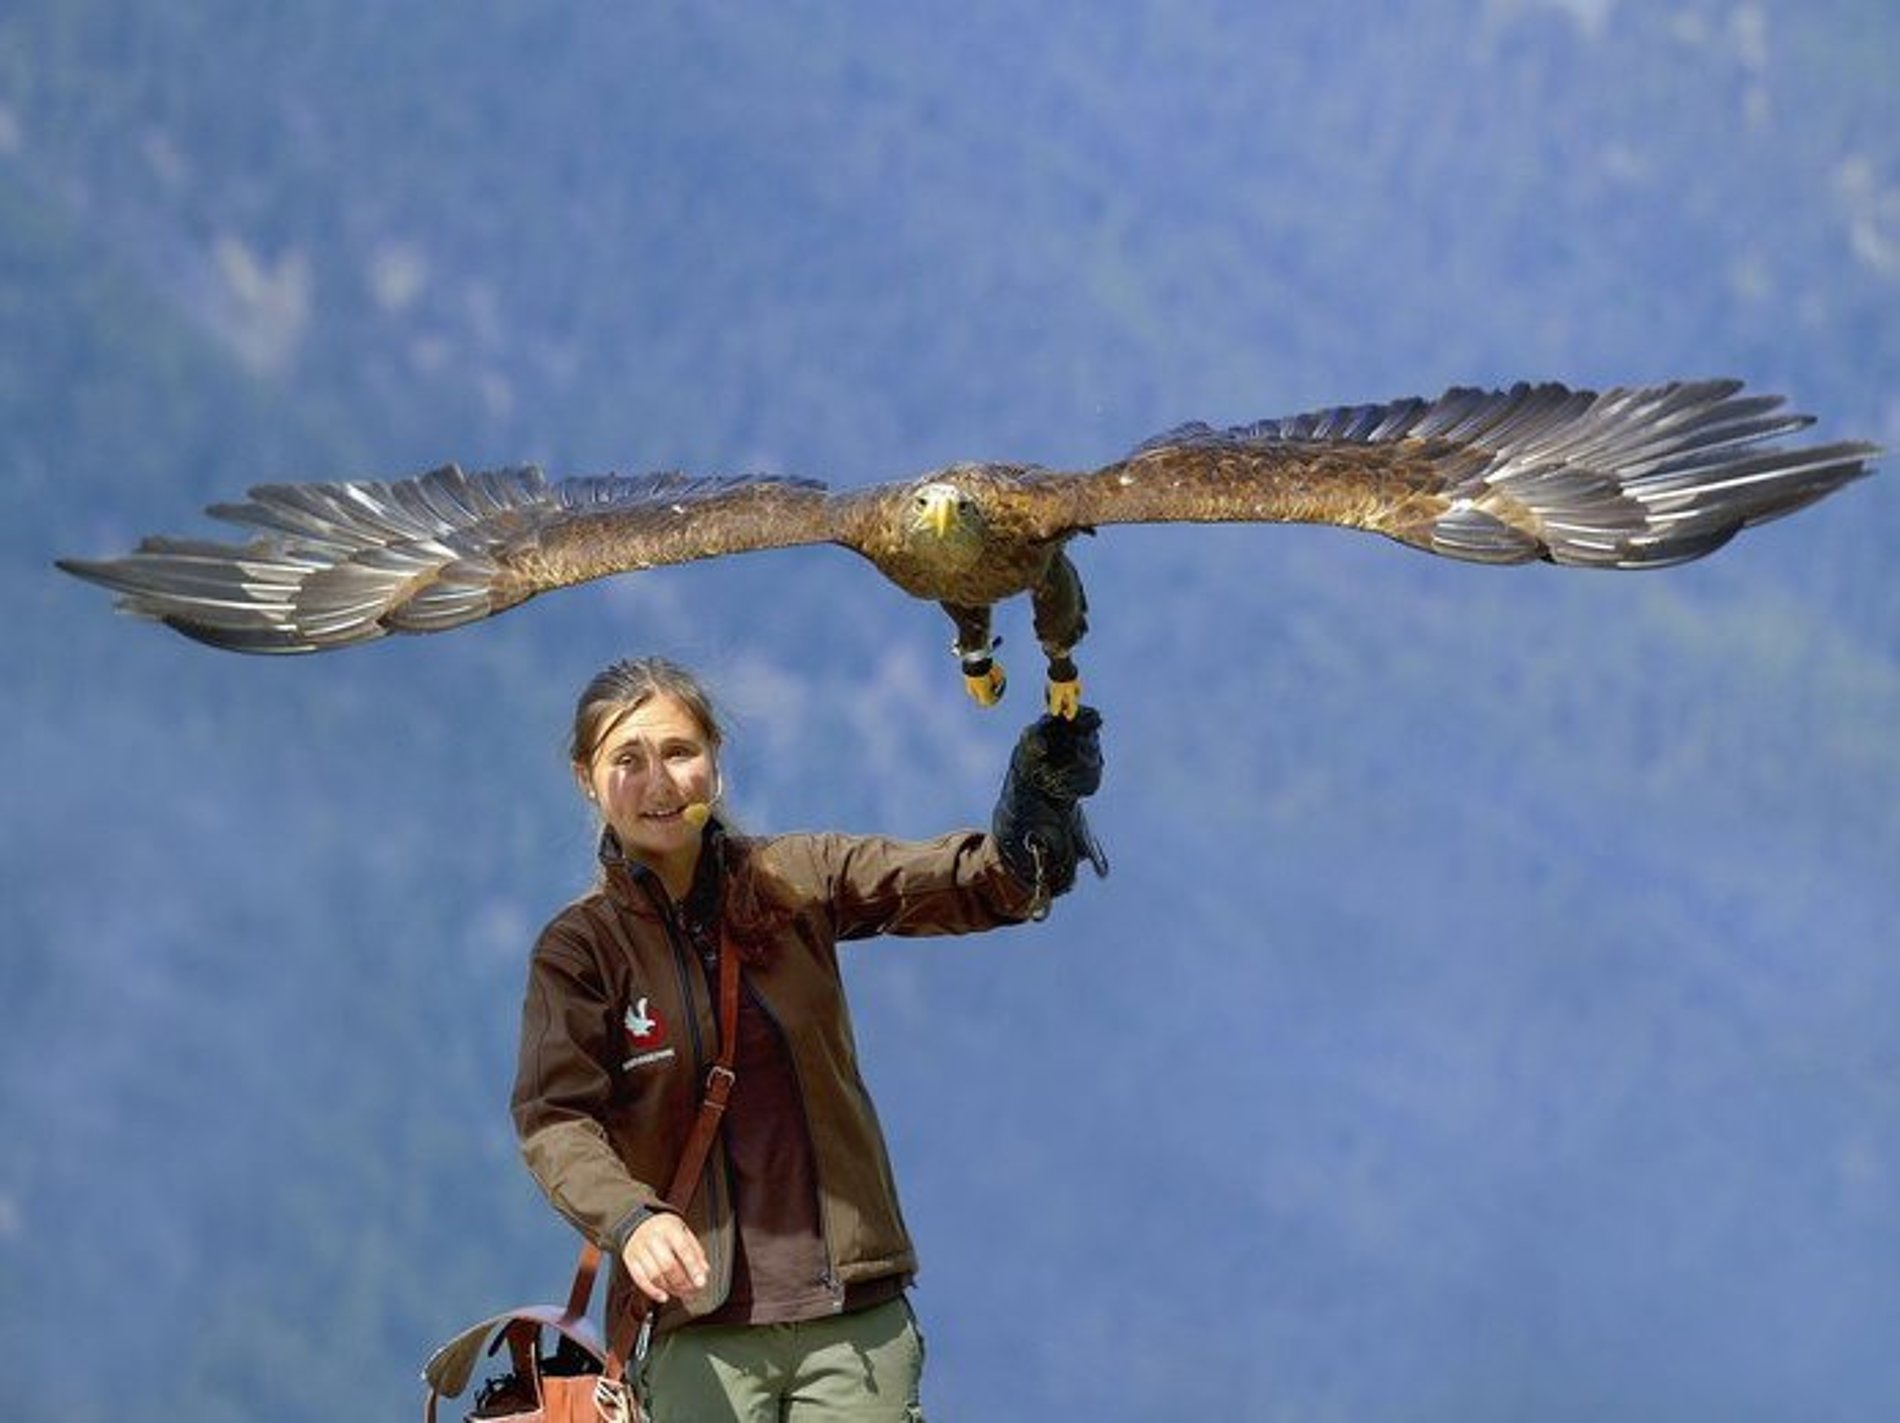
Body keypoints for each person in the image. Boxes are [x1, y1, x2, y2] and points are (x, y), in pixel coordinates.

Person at [511, 656, 1105, 1421]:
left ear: (714, 760)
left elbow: (955, 880)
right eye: (628, 759)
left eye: (680, 751)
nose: (659, 782)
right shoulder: (582, 949)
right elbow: (554, 1119)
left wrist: (1028, 837)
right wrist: (633, 1219)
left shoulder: (794, 877)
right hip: (700, 1333)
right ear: (587, 778)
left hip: (852, 1327)